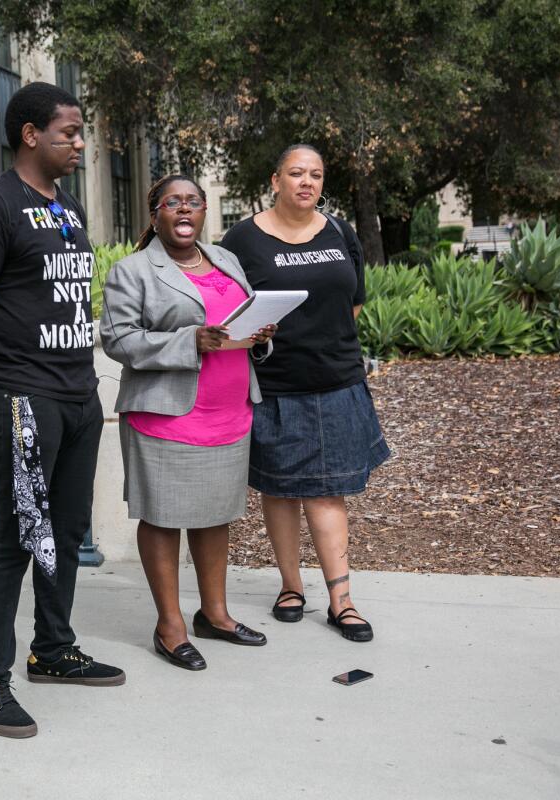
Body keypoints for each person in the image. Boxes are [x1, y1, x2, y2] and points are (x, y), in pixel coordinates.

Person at [0, 82, 125, 739]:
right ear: (29, 134)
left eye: (80, 133)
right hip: (19, 394)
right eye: (67, 132)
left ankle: (54, 649)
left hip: (78, 393)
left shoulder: (67, 206)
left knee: (67, 531)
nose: (79, 143)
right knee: (19, 535)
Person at [100, 175, 276, 671]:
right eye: (172, 202)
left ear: (204, 212)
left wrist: (258, 333)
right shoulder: (132, 271)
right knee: (162, 516)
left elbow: (237, 320)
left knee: (215, 512)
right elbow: (118, 340)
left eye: (193, 202)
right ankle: (169, 624)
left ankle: (214, 614)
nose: (184, 210)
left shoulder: (226, 260)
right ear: (154, 213)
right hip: (167, 414)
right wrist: (187, 341)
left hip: (229, 408)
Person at [220, 143, 390, 643]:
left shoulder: (340, 232)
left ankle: (342, 600)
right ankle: (290, 587)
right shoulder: (242, 239)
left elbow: (353, 304)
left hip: (336, 381)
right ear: (276, 180)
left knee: (327, 489)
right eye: (296, 173)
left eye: (315, 175)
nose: (306, 182)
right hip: (275, 384)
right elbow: (228, 311)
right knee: (280, 488)